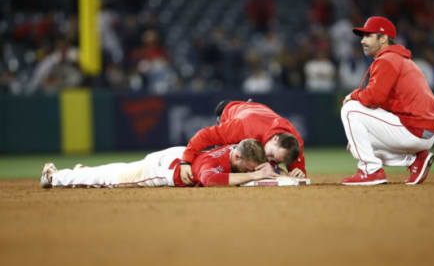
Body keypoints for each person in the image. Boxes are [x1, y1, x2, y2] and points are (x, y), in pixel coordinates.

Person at [341, 16, 434, 186]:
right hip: (423, 131)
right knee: (357, 142)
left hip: (413, 129)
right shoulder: (398, 59)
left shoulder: (387, 60)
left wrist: (354, 95)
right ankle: (414, 160)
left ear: (383, 38)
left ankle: (370, 171)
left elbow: (373, 98)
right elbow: (384, 101)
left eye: (368, 36)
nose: (362, 41)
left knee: (350, 108)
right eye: (362, 37)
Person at [40, 139, 280, 188]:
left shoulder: (238, 151)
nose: (251, 169)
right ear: (238, 158)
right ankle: (56, 176)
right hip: (162, 169)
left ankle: (86, 173)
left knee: (119, 170)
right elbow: (210, 180)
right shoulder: (213, 162)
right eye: (250, 165)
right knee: (114, 179)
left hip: (178, 156)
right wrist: (253, 176)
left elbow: (248, 164)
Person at [180, 100, 305, 185]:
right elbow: (205, 135)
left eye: (276, 160)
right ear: (275, 138)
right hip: (234, 112)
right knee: (229, 166)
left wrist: (298, 173)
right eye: (271, 155)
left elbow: (298, 174)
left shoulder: (294, 142)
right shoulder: (243, 128)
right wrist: (186, 161)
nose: (269, 159)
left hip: (258, 111)